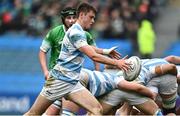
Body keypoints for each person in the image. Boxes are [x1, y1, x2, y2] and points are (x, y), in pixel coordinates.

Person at [25, 2, 130, 115]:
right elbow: (93, 56)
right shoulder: (76, 32)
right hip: (59, 80)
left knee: (96, 109)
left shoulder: (79, 32)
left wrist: (105, 51)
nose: (93, 21)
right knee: (33, 113)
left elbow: (87, 48)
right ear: (82, 15)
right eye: (91, 17)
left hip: (72, 82)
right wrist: (117, 63)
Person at [39, 6, 101, 115]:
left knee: (90, 110)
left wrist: (97, 70)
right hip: (57, 77)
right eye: (68, 18)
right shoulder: (55, 32)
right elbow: (42, 51)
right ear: (63, 19)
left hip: (72, 79)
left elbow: (94, 53)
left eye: (73, 17)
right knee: (48, 113)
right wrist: (45, 71)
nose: (71, 20)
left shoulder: (85, 35)